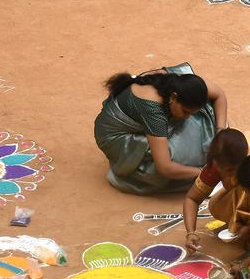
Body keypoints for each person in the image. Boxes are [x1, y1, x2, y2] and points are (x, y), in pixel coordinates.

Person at [93, 65, 227, 195]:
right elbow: (165, 167)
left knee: (208, 113)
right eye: (185, 111)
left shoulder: (181, 83)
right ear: (173, 97)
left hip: (152, 118)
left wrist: (220, 132)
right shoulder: (152, 109)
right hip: (118, 139)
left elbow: (219, 95)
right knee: (178, 155)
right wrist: (206, 174)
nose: (187, 118)